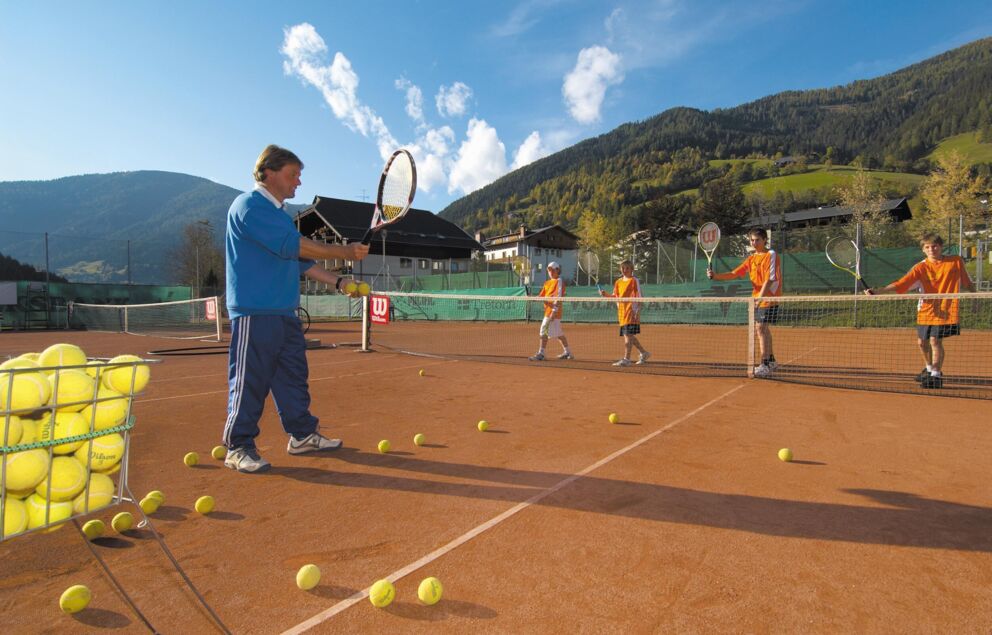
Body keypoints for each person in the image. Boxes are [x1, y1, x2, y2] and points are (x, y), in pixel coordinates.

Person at [222, 144, 370, 473]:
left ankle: (302, 435)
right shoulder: (250, 206)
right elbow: (296, 246)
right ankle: (237, 445)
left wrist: (338, 282)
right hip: (255, 312)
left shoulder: (278, 216)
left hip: (284, 313)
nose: (298, 182)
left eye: (299, 175)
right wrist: (346, 251)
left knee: (293, 378)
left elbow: (300, 262)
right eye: (293, 175)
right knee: (250, 381)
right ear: (268, 173)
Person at [865, 233, 974, 389]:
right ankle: (929, 368)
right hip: (926, 310)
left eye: (935, 246)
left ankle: (936, 375)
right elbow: (902, 283)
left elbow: (966, 282)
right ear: (923, 250)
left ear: (941, 247)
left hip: (946, 309)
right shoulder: (920, 267)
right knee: (922, 343)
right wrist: (878, 291)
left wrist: (975, 296)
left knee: (935, 341)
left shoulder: (955, 262)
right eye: (927, 247)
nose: (932, 249)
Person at [707, 228, 781, 377]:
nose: (754, 243)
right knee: (763, 329)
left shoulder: (771, 255)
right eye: (751, 240)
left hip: (768, 297)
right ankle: (771, 360)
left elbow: (770, 279)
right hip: (757, 298)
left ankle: (764, 364)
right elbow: (735, 273)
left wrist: (760, 298)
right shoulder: (751, 258)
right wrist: (716, 276)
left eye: (757, 240)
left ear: (765, 240)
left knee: (760, 329)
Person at [599, 260, 650, 367]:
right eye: (623, 268)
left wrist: (637, 311)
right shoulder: (618, 282)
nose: (624, 270)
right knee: (629, 335)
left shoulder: (634, 280)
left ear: (632, 269)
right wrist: (605, 294)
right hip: (621, 312)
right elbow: (615, 296)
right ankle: (644, 353)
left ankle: (626, 359)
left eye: (627, 268)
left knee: (627, 335)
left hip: (631, 311)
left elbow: (640, 296)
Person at [529, 262, 573, 361]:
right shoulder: (547, 283)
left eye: (553, 270)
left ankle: (541, 353)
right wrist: (532, 298)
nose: (551, 272)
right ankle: (568, 352)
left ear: (558, 270)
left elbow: (559, 297)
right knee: (558, 334)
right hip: (548, 311)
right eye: (549, 270)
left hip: (553, 312)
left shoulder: (559, 281)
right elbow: (541, 296)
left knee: (543, 331)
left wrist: (554, 311)